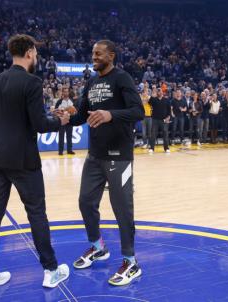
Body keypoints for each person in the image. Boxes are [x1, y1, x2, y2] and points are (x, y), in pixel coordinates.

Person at [0, 34, 70, 294]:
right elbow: (40, 125)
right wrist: (59, 122)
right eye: (36, 53)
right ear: (29, 52)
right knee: (37, 214)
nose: (36, 57)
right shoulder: (32, 82)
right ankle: (51, 271)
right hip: (23, 158)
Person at [69, 40, 144, 286]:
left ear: (111, 55)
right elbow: (81, 116)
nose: (95, 57)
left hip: (119, 156)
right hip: (95, 156)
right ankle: (98, 246)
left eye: (99, 53)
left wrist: (111, 114)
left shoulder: (122, 78)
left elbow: (137, 111)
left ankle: (131, 262)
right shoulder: (91, 82)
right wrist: (66, 117)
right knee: (85, 202)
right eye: (93, 53)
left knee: (122, 209)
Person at [149, 89, 171, 153]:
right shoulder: (154, 99)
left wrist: (168, 116)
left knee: (165, 134)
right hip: (155, 119)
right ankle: (151, 148)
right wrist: (152, 96)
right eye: (158, 91)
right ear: (157, 93)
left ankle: (166, 148)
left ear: (162, 93)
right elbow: (149, 103)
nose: (160, 92)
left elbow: (169, 109)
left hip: (164, 120)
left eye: (160, 91)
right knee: (153, 134)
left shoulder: (166, 100)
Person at [54, 87, 75, 155]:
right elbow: (55, 111)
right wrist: (64, 110)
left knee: (69, 136)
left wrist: (72, 112)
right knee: (61, 136)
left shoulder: (71, 101)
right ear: (62, 92)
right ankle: (60, 151)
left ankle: (69, 150)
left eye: (67, 91)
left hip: (69, 120)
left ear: (68, 92)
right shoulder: (59, 101)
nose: (66, 93)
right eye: (65, 92)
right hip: (62, 121)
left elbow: (74, 110)